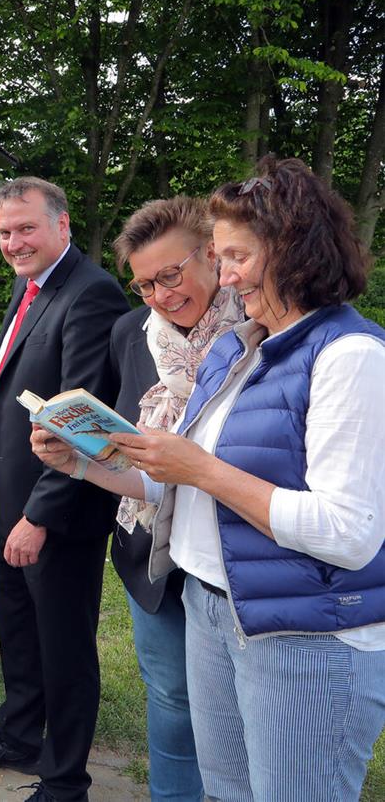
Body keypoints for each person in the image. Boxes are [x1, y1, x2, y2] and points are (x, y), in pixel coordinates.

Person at [33, 157, 385, 800]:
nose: (225, 277)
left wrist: (199, 466)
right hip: (210, 605)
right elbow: (179, 490)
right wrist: (81, 463)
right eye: (220, 258)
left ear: (296, 249)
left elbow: (351, 533)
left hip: (300, 637)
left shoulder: (350, 356)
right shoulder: (245, 347)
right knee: (226, 791)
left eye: (236, 258)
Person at [0, 177, 128, 802]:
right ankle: (20, 736)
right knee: (19, 627)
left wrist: (40, 516)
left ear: (63, 226)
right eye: (5, 232)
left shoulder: (91, 294)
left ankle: (64, 781)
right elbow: (36, 387)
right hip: (15, 494)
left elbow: (85, 418)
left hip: (59, 509)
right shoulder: (31, 288)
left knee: (64, 643)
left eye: (26, 228)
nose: (15, 241)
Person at [107, 197, 244, 801]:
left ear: (212, 254)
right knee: (169, 700)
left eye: (170, 274)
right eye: (144, 285)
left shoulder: (263, 327)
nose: (160, 295)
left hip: (237, 557)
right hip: (153, 556)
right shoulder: (130, 335)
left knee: (240, 718)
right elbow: (128, 438)